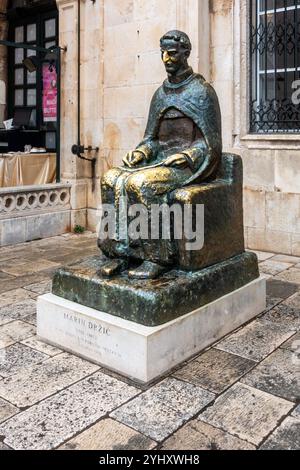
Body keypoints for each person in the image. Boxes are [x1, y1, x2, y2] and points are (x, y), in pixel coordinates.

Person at [98, 30, 222, 279]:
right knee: (110, 179)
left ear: (186, 53)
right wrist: (141, 152)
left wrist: (187, 156)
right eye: (163, 53)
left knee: (141, 184)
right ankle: (120, 253)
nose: (166, 58)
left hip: (186, 165)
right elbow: (151, 140)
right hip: (158, 162)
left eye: (173, 53)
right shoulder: (160, 95)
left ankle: (157, 257)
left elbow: (210, 144)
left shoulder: (202, 92)